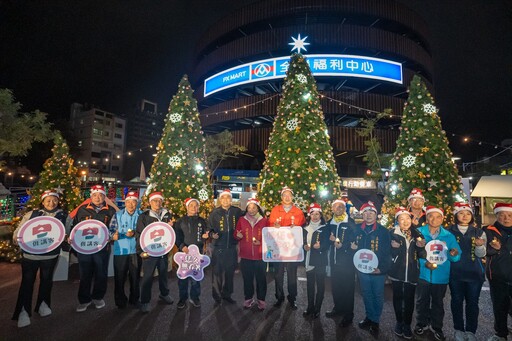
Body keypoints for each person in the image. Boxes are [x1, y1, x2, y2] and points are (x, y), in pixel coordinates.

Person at [11, 190, 70, 328]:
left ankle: (43, 304)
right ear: (42, 201)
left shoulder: (63, 215)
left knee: (47, 280)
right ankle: (23, 311)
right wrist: (16, 238)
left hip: (51, 255)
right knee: (27, 282)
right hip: (30, 255)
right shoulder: (32, 214)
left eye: (54, 200)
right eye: (48, 200)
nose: (51, 203)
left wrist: (67, 239)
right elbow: (19, 231)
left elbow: (66, 233)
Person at [414, 206, 461, 341]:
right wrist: (424, 263)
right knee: (421, 301)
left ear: (442, 218)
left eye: (438, 216)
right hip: (423, 274)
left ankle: (437, 326)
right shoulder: (419, 233)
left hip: (441, 276)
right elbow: (413, 254)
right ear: (427, 218)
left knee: (438, 303)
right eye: (431, 216)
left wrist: (453, 254)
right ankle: (421, 323)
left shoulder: (448, 236)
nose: (434, 219)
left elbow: (456, 256)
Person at [71, 184, 117, 313]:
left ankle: (98, 297)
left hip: (102, 248)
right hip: (84, 248)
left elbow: (113, 228)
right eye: (95, 195)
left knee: (101, 273)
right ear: (91, 196)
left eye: (101, 195)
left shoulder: (110, 210)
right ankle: (84, 300)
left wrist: (112, 235)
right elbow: (75, 227)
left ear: (105, 196)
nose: (98, 197)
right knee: (85, 274)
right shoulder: (82, 209)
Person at [448, 202, 486, 341]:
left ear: (472, 216)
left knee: (473, 303)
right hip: (455, 273)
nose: (465, 216)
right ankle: (458, 329)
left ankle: (471, 331)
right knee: (456, 301)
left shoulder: (479, 232)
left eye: (468, 213)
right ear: (456, 215)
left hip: (474, 274)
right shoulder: (448, 231)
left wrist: (480, 246)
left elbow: (482, 255)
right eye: (461, 213)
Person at [353, 201, 391, 336]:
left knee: (378, 295)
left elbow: (388, 253)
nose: (368, 215)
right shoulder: (357, 229)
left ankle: (375, 320)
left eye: (371, 212)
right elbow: (352, 248)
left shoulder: (383, 231)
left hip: (377, 271)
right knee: (366, 293)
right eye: (366, 212)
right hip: (362, 268)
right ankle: (369, 316)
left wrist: (381, 268)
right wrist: (352, 248)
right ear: (362, 215)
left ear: (376, 215)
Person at [136, 191, 174, 313]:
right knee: (147, 276)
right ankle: (145, 301)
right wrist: (140, 251)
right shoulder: (144, 216)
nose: (157, 203)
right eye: (154, 201)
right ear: (150, 202)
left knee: (163, 273)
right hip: (149, 251)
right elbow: (139, 234)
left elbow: (171, 233)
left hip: (163, 250)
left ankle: (164, 294)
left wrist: (172, 226)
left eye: (159, 201)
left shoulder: (167, 214)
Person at [268, 186, 306, 309]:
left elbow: (301, 228)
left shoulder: (298, 211)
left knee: (292, 275)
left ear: (292, 197)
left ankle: (292, 298)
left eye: (289, 195)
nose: (287, 197)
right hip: (278, 249)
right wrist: (275, 225)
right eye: (285, 195)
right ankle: (279, 297)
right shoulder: (275, 210)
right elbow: (270, 226)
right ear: (281, 197)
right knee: (278, 275)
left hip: (292, 250)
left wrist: (295, 227)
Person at [389, 206, 423, 339]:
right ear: (397, 220)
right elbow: (387, 253)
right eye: (401, 219)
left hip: (412, 272)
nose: (405, 221)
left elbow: (422, 254)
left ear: (411, 219)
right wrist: (394, 249)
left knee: (409, 299)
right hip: (397, 272)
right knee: (397, 297)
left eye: (407, 218)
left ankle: (407, 324)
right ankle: (399, 322)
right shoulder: (392, 233)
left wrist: (422, 248)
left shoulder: (417, 234)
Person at [324, 199, 357, 327]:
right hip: (334, 262)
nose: (339, 209)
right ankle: (338, 308)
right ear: (332, 209)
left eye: (341, 207)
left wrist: (342, 246)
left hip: (347, 263)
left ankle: (348, 315)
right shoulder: (330, 223)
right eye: (336, 207)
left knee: (348, 289)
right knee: (336, 287)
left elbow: (355, 242)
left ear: (345, 209)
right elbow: (325, 240)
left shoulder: (350, 223)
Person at [108, 190, 142, 309]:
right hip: (120, 251)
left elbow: (147, 232)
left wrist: (136, 234)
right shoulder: (118, 215)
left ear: (137, 203)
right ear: (125, 202)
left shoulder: (142, 215)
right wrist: (113, 236)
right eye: (129, 202)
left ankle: (135, 299)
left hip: (136, 251)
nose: (131, 205)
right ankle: (120, 301)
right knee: (119, 277)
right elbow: (110, 231)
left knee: (135, 278)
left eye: (134, 202)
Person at [208, 189, 243, 305]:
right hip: (219, 248)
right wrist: (212, 234)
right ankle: (217, 297)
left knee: (229, 274)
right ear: (220, 199)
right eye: (223, 198)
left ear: (231, 200)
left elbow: (249, 216)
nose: (226, 200)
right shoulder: (214, 213)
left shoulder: (237, 212)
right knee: (217, 274)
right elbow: (209, 229)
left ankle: (227, 295)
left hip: (232, 248)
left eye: (228, 197)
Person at [484, 202, 512, 341]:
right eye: (502, 215)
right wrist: (494, 249)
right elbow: (482, 252)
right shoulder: (487, 230)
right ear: (496, 215)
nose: (506, 218)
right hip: (497, 275)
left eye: (509, 215)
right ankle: (501, 333)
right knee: (499, 305)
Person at [234, 198, 268, 310]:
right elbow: (236, 233)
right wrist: (237, 235)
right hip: (245, 256)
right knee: (247, 279)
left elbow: (269, 237)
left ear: (258, 208)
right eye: (249, 207)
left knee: (261, 280)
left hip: (260, 256)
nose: (251, 209)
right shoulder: (241, 220)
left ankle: (261, 300)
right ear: (246, 208)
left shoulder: (264, 220)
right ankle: (248, 299)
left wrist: (261, 242)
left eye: (254, 207)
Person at [174, 197, 209, 309]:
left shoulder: (202, 221)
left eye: (196, 205)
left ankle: (195, 298)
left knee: (196, 278)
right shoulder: (180, 221)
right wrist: (181, 246)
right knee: (183, 278)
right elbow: (176, 236)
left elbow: (206, 233)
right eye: (191, 205)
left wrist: (205, 237)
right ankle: (182, 299)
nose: (194, 208)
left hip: (196, 254)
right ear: (187, 207)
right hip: (184, 254)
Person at [302, 203, 330, 318]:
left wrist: (321, 246)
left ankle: (317, 309)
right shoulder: (305, 228)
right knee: (310, 285)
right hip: (309, 260)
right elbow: (303, 242)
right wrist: (305, 246)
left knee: (320, 285)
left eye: (317, 214)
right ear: (309, 215)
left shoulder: (325, 227)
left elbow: (327, 244)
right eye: (312, 214)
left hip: (320, 261)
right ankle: (310, 307)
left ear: (320, 215)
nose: (315, 216)